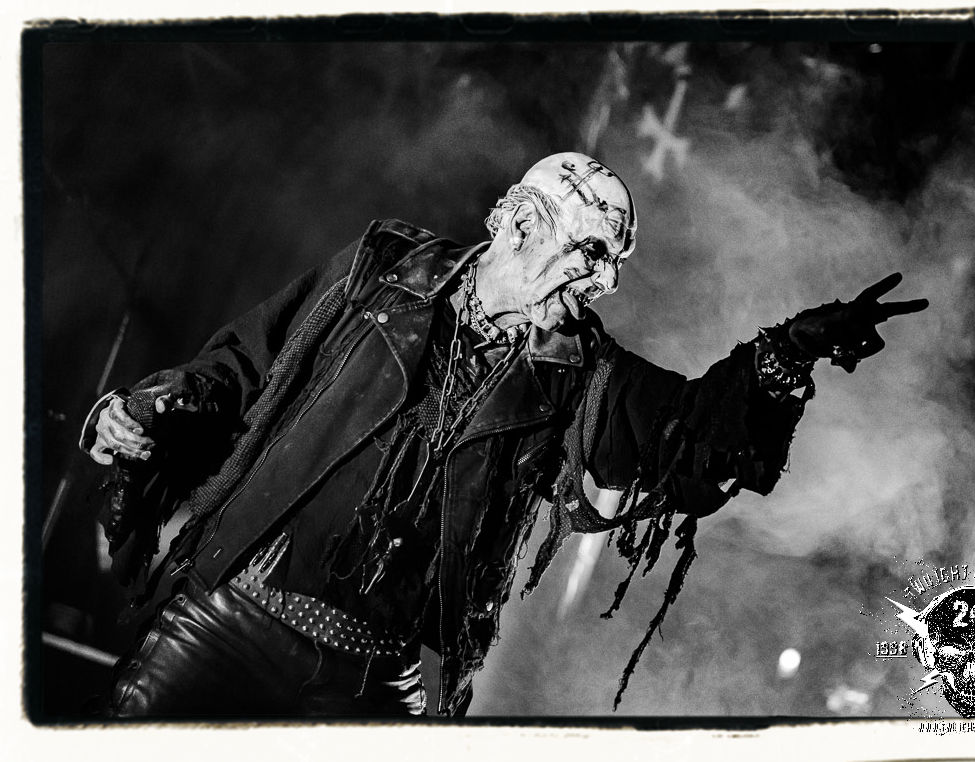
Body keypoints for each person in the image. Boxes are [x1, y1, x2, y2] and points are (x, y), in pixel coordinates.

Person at [81, 152, 927, 718]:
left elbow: (691, 434)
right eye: (590, 253)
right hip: (231, 619)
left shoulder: (582, 371)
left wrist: (786, 354)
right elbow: (245, 363)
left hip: (373, 683)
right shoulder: (383, 272)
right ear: (521, 227)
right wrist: (157, 406)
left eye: (614, 264)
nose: (604, 282)